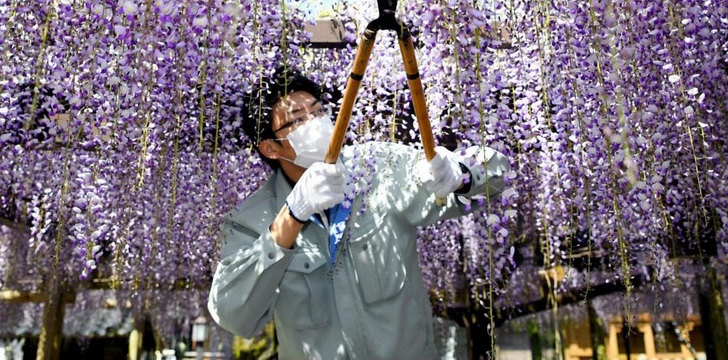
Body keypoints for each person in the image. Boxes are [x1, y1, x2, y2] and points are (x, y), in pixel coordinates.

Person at [208, 68, 509, 360]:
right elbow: (232, 313)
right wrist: (292, 216)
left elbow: (496, 170)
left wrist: (460, 176)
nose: (314, 123)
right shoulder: (251, 220)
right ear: (271, 149)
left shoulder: (377, 168)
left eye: (318, 111)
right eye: (297, 120)